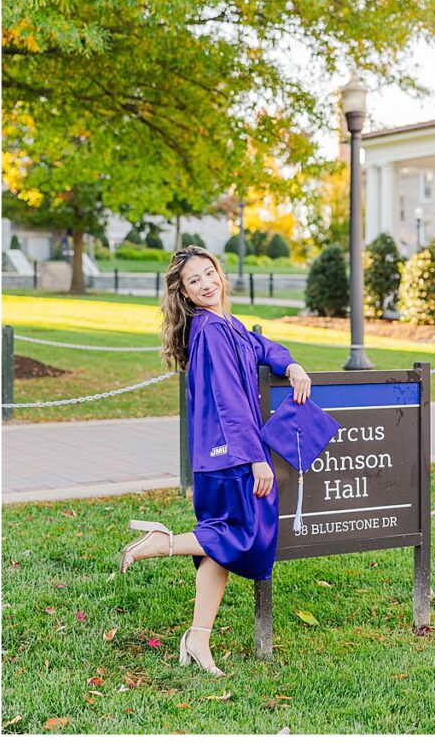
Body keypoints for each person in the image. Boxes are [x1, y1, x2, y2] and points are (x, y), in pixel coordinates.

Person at [118, 245, 312, 677]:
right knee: (243, 536)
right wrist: (256, 460)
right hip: (229, 456)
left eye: (209, 274)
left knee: (219, 549)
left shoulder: (230, 325)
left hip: (221, 456)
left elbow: (262, 345)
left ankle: (198, 638)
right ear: (184, 294)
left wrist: (292, 364)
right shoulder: (209, 330)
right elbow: (229, 402)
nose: (206, 284)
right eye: (194, 281)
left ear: (220, 275)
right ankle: (162, 543)